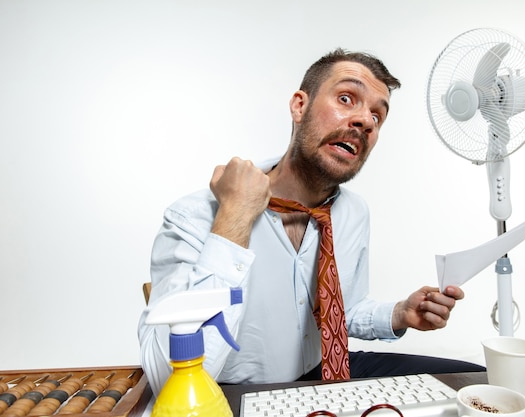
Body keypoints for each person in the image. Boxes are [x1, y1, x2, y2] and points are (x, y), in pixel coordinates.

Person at [138, 48, 483, 394]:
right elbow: (168, 379)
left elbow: (340, 311)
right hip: (231, 390)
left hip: (327, 370)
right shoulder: (195, 215)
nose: (365, 121)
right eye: (347, 98)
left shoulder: (353, 212)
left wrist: (400, 313)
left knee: (474, 383)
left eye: (377, 117)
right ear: (299, 106)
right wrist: (234, 218)